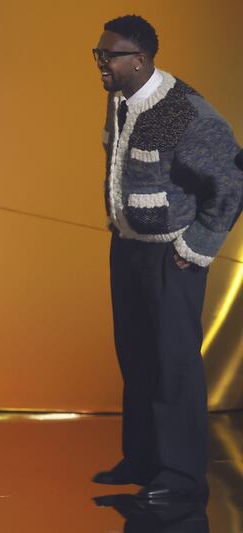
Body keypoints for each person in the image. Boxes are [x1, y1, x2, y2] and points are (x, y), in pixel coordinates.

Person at [91, 15, 243, 501]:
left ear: (140, 59)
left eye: (109, 56)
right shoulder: (121, 99)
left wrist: (197, 245)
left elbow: (232, 181)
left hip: (171, 258)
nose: (101, 64)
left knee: (173, 367)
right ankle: (142, 460)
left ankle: (180, 477)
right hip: (128, 247)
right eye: (98, 54)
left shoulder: (184, 112)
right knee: (136, 358)